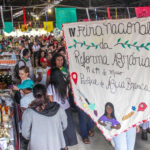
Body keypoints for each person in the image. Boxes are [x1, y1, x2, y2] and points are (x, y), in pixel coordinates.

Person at [22, 84, 67, 150]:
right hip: (56, 144)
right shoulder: (58, 108)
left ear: (33, 95)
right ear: (46, 93)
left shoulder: (28, 112)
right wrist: (55, 132)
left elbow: (25, 134)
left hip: (37, 145)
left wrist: (34, 136)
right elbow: (64, 125)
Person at [47, 68, 77, 149]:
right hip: (66, 108)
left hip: (56, 109)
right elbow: (67, 96)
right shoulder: (65, 84)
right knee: (67, 127)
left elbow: (51, 100)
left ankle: (60, 145)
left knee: (58, 129)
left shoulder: (50, 86)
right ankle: (66, 146)